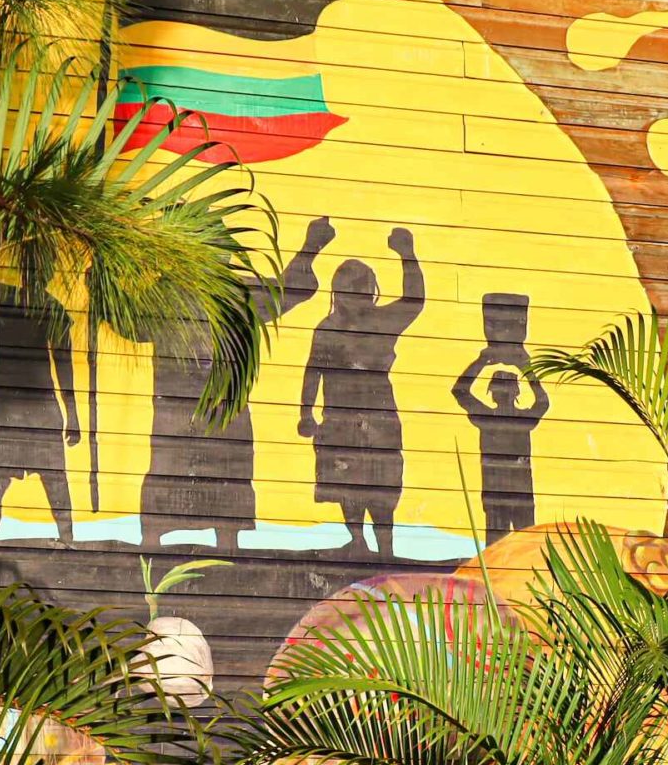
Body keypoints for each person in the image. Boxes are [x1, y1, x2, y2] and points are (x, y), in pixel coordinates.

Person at [142, 217, 336, 546]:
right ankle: (157, 544)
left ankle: (221, 546)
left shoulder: (236, 292)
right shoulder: (170, 292)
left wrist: (312, 246)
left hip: (220, 410)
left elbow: (291, 290)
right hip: (180, 411)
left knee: (224, 481)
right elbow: (132, 325)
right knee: (172, 475)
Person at [297, 227, 425, 558]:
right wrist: (305, 412)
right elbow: (313, 371)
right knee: (346, 484)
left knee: (382, 483)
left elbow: (415, 301)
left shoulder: (382, 322)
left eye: (362, 286)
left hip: (379, 419)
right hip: (340, 419)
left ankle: (385, 547)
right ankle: (357, 539)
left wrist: (407, 254)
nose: (358, 293)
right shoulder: (328, 329)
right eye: (352, 287)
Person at [0, 276, 80, 541]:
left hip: (32, 411)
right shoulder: (4, 296)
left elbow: (64, 362)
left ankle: (67, 540)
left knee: (53, 482)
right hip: (11, 410)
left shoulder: (44, 306)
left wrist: (73, 415)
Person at [451, 354, 550, 546]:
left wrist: (482, 361)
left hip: (505, 494)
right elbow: (543, 402)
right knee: (517, 547)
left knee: (508, 547)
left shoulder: (489, 418)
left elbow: (460, 391)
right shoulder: (514, 419)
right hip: (506, 495)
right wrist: (527, 368)